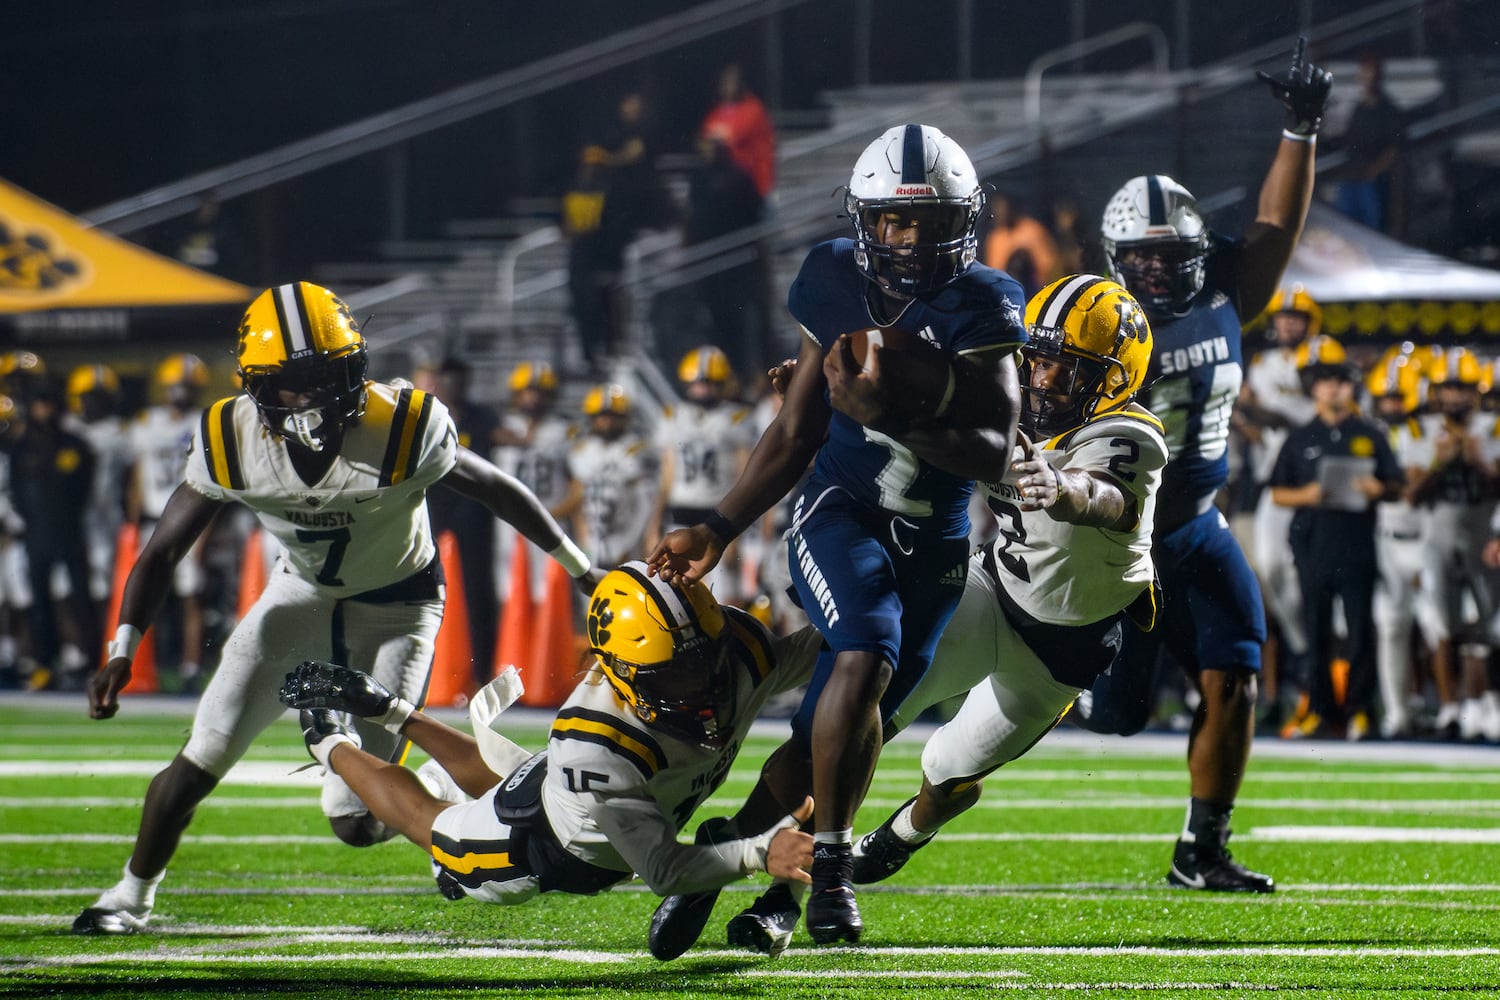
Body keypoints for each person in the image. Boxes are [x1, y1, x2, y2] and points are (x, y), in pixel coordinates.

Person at [650, 275, 1164, 959]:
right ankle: (756, 871)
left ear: (1116, 378)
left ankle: (895, 840)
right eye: (1035, 358)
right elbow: (905, 432)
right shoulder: (1005, 405)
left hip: (1063, 652)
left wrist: (1064, 489)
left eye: (1065, 368)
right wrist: (829, 405)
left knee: (950, 773)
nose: (1041, 378)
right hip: (988, 594)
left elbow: (1108, 497)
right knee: (845, 724)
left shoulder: (1131, 434)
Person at [73, 281, 599, 936]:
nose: (313, 396)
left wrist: (581, 568)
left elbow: (495, 486)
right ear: (256, 384)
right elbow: (161, 551)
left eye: (328, 376)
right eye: (293, 382)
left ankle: (434, 779)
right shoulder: (231, 437)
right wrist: (123, 648)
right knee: (200, 758)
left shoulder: (402, 424)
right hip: (300, 595)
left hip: (399, 604)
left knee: (358, 823)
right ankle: (129, 896)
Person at [648, 123, 1025, 944]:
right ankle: (826, 874)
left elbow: (994, 452)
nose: (909, 237)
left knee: (847, 722)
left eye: (927, 221)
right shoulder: (829, 276)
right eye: (893, 220)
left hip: (936, 540)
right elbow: (796, 427)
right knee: (865, 644)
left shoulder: (986, 301)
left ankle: (735, 853)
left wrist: (889, 413)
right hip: (841, 509)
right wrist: (719, 524)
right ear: (865, 219)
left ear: (962, 221)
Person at [1071, 40, 1332, 894]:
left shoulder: (1225, 288)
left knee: (1238, 674)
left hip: (1198, 523)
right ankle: (923, 804)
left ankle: (1202, 848)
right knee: (1111, 717)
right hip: (1116, 539)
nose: (1156, 268)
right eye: (1139, 256)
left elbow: (1277, 226)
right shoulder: (1094, 322)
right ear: (1114, 257)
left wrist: (1301, 127)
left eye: (1169, 254)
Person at [274, 562, 817, 948]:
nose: (702, 681)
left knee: (513, 773)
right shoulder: (599, 746)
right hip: (554, 850)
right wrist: (755, 854)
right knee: (435, 826)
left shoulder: (738, 652)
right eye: (676, 670)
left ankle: (391, 710)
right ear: (622, 672)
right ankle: (328, 740)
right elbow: (663, 869)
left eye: (706, 656)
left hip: (583, 792)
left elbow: (819, 651)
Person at [1268, 355, 1404, 740]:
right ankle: (1318, 710)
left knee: (1361, 632)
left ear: (1352, 388)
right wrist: (1307, 494)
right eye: (1327, 382)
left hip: (1358, 545)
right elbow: (1278, 492)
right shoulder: (1300, 438)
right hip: (1314, 546)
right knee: (1317, 633)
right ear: (1314, 390)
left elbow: (1395, 483)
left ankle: (1361, 711)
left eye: (1342, 382)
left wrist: (1380, 489)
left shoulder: (1370, 433)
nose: (1334, 388)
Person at [1402, 347, 1500, 739]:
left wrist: (1478, 462)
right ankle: (1450, 708)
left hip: (1483, 531)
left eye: (1462, 388)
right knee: (1442, 625)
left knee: (1491, 624)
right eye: (1448, 388)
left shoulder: (1494, 427)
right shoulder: (1420, 429)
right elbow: (1411, 495)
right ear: (1435, 392)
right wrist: (1440, 463)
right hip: (1438, 530)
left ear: (1476, 391)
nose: (1455, 396)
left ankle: (1487, 704)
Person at [412, 358, 503, 687]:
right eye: (447, 380)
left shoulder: (482, 417)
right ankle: (428, 670)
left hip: (475, 517)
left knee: (479, 595)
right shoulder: (428, 415)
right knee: (423, 592)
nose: (454, 387)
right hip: (433, 513)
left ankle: (481, 672)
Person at [565, 91, 671, 370]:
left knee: (609, 310)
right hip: (582, 260)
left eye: (595, 164)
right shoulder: (575, 187)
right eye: (587, 163)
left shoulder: (614, 191)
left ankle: (608, 350)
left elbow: (617, 222)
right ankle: (591, 355)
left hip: (606, 257)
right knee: (586, 310)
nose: (590, 168)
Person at [7, 377, 98, 691]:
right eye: (38, 403)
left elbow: (84, 490)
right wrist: (30, 521)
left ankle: (90, 663)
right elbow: (16, 491)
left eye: (48, 403)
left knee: (80, 601)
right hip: (37, 534)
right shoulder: (23, 447)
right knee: (40, 605)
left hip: (70, 531)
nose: (43, 410)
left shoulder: (74, 444)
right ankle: (45, 665)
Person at [127, 353, 211, 689]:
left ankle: (190, 667)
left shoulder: (205, 422)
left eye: (188, 387)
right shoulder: (147, 421)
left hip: (190, 519)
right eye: (177, 386)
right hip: (151, 519)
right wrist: (131, 524)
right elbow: (136, 477)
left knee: (191, 596)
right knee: (149, 595)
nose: (181, 393)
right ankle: (151, 663)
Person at [648, 347, 756, 599]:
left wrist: (735, 531)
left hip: (718, 514)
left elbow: (744, 475)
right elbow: (666, 477)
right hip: (680, 514)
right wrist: (653, 524)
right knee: (675, 594)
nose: (703, 388)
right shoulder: (674, 416)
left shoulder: (736, 418)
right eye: (698, 382)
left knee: (725, 598)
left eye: (709, 383)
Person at [566, 383, 660, 572]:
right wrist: (584, 540)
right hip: (593, 539)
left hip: (627, 534)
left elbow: (646, 504)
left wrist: (629, 542)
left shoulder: (636, 449)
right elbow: (578, 502)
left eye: (612, 416)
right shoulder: (583, 451)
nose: (606, 422)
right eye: (601, 416)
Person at [1334, 53, 1403, 234]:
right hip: (1351, 176)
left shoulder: (1388, 110)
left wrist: (1374, 170)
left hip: (1371, 180)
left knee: (1371, 230)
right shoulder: (1358, 109)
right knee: (1346, 229)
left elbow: (1394, 148)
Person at [981, 192, 1059, 297]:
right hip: (1007, 294)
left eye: (1003, 208)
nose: (1000, 212)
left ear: (1013, 209)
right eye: (997, 209)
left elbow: (1048, 265)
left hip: (1037, 291)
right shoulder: (995, 238)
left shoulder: (1032, 229)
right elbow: (994, 274)